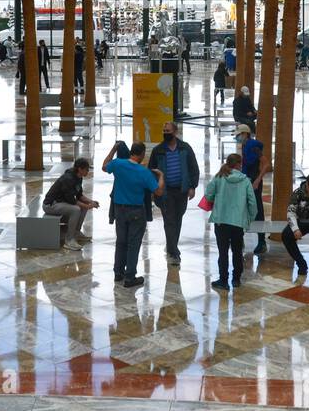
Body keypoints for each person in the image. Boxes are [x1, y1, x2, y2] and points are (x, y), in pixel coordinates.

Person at [103, 141, 163, 288]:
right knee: (133, 244)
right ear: (142, 154)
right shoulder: (144, 172)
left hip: (119, 209)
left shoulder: (118, 164)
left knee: (121, 241)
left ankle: (118, 273)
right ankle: (130, 277)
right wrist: (161, 176)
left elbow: (104, 166)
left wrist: (114, 148)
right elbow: (158, 192)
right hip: (136, 211)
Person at [147, 121, 200, 265]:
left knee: (177, 219)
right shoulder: (158, 150)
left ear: (175, 132)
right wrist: (154, 189)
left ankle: (171, 245)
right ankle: (173, 252)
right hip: (166, 192)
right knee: (169, 220)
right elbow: (151, 171)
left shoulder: (185, 148)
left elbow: (193, 168)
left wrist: (192, 186)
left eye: (168, 131)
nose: (166, 133)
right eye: (164, 131)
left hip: (181, 191)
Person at [205, 152, 259, 290]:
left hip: (221, 221)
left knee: (222, 252)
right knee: (237, 251)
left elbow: (208, 194)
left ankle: (223, 280)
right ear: (239, 165)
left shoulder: (219, 177)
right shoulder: (245, 180)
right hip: (238, 222)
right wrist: (250, 218)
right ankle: (236, 279)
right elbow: (252, 202)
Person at [43, 158, 99, 248]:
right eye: (87, 169)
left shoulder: (78, 177)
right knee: (76, 210)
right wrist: (87, 206)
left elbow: (79, 196)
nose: (88, 172)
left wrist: (91, 202)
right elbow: (71, 200)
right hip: (50, 205)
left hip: (62, 202)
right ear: (80, 169)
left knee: (82, 207)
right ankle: (69, 240)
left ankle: (76, 233)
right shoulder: (68, 179)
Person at [236, 124, 269, 255]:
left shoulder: (254, 146)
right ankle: (240, 238)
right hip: (246, 181)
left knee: (258, 211)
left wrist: (257, 180)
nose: (238, 137)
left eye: (239, 135)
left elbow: (266, 164)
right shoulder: (245, 146)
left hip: (254, 183)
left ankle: (262, 242)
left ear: (245, 134)